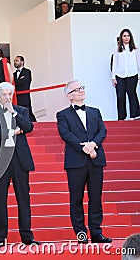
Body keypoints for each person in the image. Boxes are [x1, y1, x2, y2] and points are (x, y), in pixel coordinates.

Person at [0, 82, 40, 247]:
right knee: (0, 199)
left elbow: (28, 127)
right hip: (0, 160)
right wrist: (11, 132)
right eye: (4, 94)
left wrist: (13, 113)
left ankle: (27, 236)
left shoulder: (21, 110)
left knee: (23, 198)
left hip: (19, 159)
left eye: (10, 94)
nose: (7, 97)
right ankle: (0, 237)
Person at [56, 80, 112, 244]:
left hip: (96, 160)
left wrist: (93, 145)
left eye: (82, 88)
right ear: (69, 96)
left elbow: (102, 130)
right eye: (77, 89)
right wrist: (84, 148)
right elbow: (65, 134)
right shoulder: (62, 114)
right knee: (76, 199)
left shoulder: (95, 112)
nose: (81, 91)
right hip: (76, 162)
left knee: (96, 198)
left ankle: (96, 233)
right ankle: (81, 234)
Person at [111, 29, 140, 120]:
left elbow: (138, 61)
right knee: (120, 96)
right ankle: (121, 117)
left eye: (128, 36)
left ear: (130, 37)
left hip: (132, 75)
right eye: (124, 36)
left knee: (132, 94)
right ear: (121, 37)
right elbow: (114, 63)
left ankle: (134, 116)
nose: (126, 38)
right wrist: (113, 77)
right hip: (120, 75)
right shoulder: (117, 49)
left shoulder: (135, 48)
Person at [13, 56, 36, 122]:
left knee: (28, 113)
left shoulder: (27, 71)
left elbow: (24, 82)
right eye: (14, 61)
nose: (15, 62)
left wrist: (16, 82)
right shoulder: (13, 74)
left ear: (22, 62)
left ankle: (36, 127)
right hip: (16, 98)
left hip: (25, 97)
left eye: (17, 60)